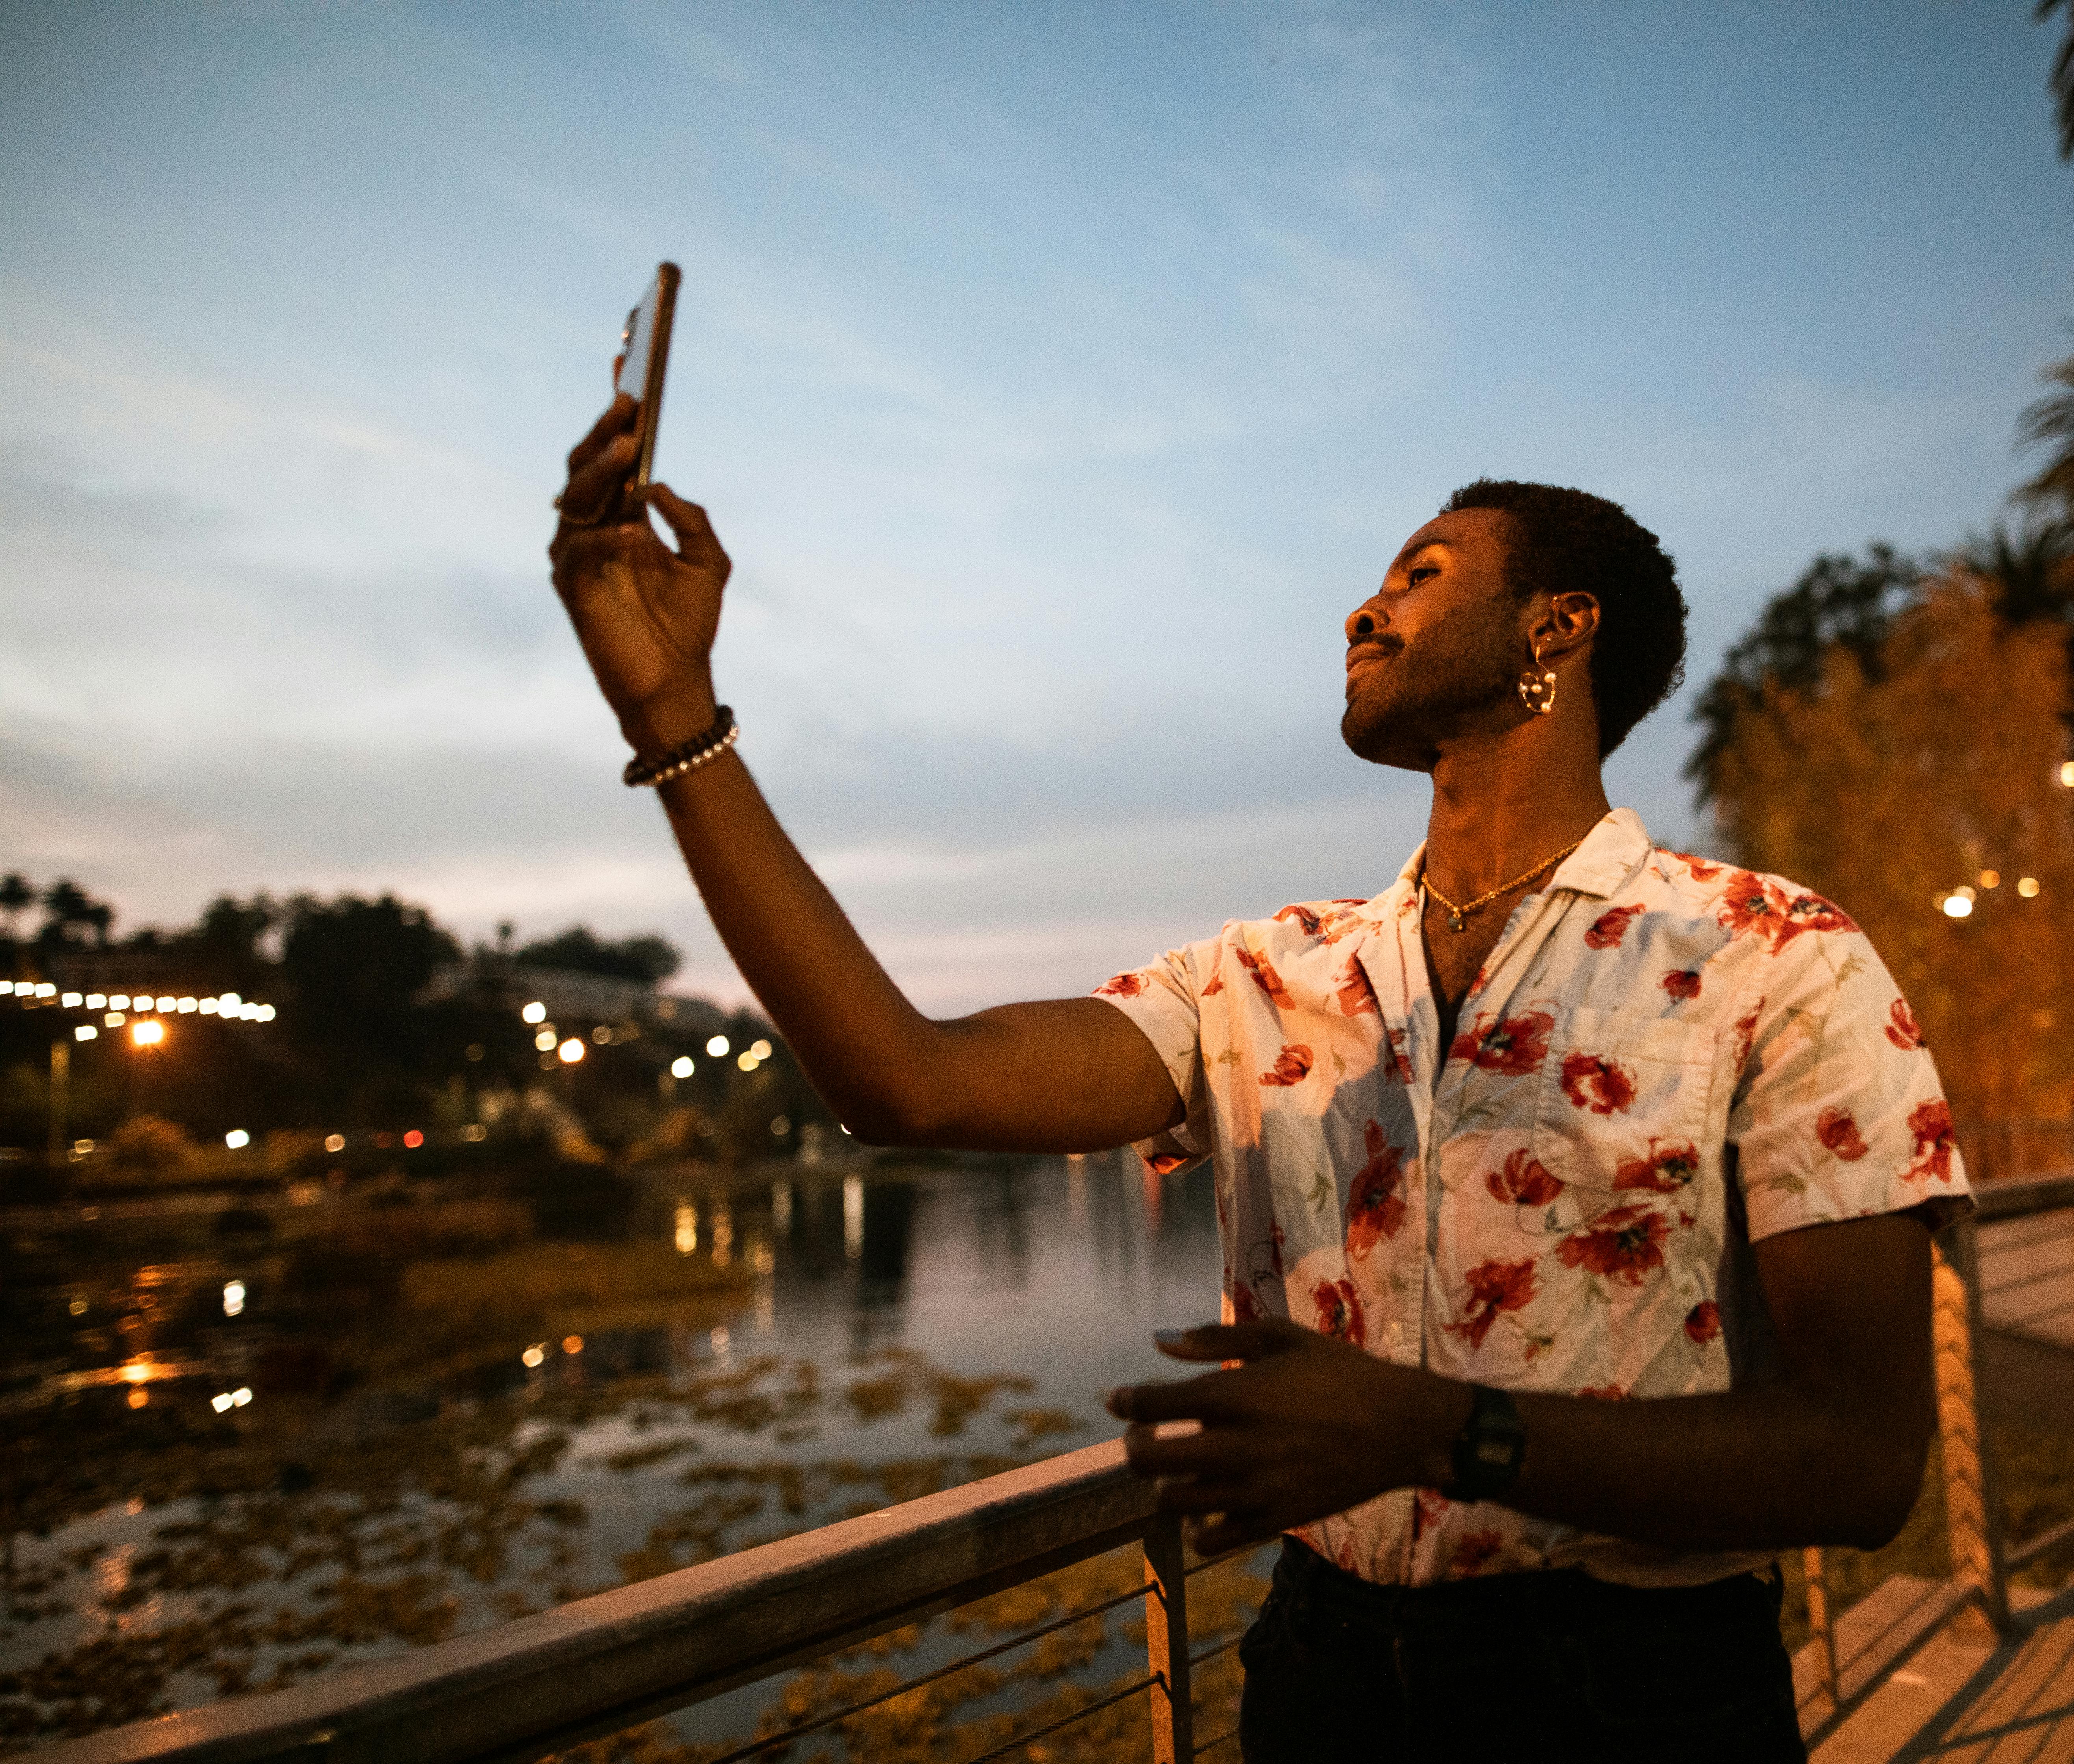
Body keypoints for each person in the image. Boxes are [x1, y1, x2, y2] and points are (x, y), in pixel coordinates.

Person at [547, 397, 1971, 1763]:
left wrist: (1436, 1433)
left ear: (1558, 627)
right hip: (1323, 1685)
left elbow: (1859, 1459)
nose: (1364, 609)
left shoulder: (1772, 956)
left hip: (1643, 1702)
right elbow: (902, 1082)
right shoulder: (1261, 981)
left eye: (1420, 574)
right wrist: (677, 720)